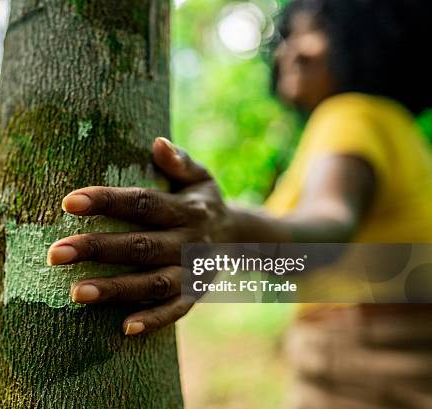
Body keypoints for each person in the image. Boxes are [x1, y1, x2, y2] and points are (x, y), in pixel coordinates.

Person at [47, 0, 432, 407]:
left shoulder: (352, 115)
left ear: (365, 39)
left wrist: (221, 229)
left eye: (312, 31)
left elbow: (328, 227)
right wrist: (211, 247)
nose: (290, 50)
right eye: (287, 35)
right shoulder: (398, 131)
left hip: (364, 372)